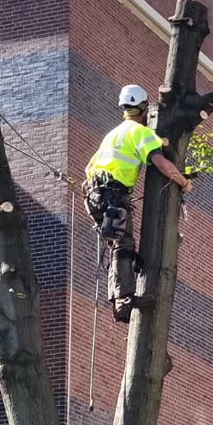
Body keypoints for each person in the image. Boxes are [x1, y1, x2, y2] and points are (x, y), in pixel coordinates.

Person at [83, 84, 192, 322]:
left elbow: (88, 168)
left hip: (94, 195)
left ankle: (119, 300)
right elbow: (161, 164)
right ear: (144, 107)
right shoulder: (140, 133)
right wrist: (184, 183)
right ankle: (124, 299)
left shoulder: (112, 134)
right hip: (112, 194)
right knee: (123, 244)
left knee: (118, 245)